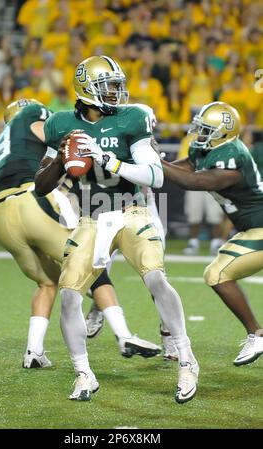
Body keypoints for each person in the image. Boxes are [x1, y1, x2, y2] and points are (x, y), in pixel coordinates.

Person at [34, 55, 199, 404]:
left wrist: (109, 159)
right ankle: (83, 373)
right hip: (91, 218)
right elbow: (40, 185)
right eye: (108, 86)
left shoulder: (132, 117)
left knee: (155, 277)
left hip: (131, 210)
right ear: (87, 89)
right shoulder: (60, 123)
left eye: (116, 85)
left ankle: (187, 359)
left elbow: (155, 174)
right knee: (68, 295)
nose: (116, 92)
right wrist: (64, 158)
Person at [0, 98, 161, 369]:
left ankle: (34, 351)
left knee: (47, 282)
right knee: (89, 266)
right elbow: (69, 142)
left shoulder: (3, 141)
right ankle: (124, 335)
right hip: (29, 200)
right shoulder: (34, 115)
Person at [161, 101, 263, 366]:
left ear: (224, 133)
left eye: (208, 130)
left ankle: (257, 333)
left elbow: (194, 181)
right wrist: (154, 165)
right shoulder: (209, 148)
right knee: (218, 271)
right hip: (252, 228)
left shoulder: (232, 155)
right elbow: (186, 167)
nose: (200, 134)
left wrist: (156, 164)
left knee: (218, 273)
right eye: (201, 128)